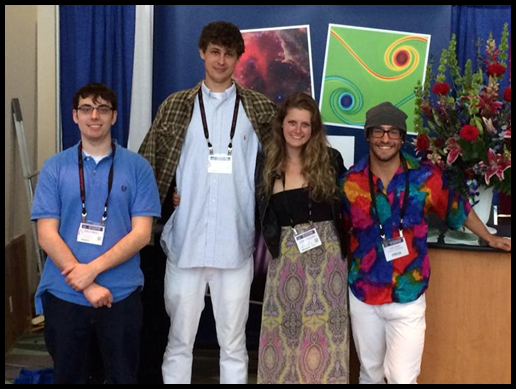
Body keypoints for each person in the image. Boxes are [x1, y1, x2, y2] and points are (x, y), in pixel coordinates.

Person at [138, 21, 277, 384]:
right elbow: (148, 163)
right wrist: (165, 196)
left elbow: (285, 163)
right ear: (202, 53)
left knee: (233, 344)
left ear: (238, 58)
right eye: (214, 51)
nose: (221, 60)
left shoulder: (259, 109)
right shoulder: (176, 106)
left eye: (229, 53)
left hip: (236, 244)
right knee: (179, 340)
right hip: (185, 242)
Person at [342, 102, 511, 384]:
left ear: (401, 137)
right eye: (379, 132)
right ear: (368, 135)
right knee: (369, 373)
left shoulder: (425, 177)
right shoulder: (349, 183)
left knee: (402, 377)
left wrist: (490, 237)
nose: (386, 139)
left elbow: (458, 209)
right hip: (364, 293)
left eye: (393, 132)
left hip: (408, 293)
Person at [31, 83, 161, 384]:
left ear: (114, 116)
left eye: (102, 109)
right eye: (86, 109)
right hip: (64, 293)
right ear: (75, 116)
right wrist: (86, 285)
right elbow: (46, 235)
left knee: (122, 377)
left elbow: (142, 234)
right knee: (68, 377)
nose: (94, 116)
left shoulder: (138, 168)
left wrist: (91, 272)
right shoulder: (54, 168)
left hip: (121, 294)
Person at [255, 92, 349, 384]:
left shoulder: (331, 160)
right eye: (292, 122)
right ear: (281, 125)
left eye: (305, 124)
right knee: (283, 337)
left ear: (314, 128)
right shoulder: (266, 163)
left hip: (328, 261)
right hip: (285, 261)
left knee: (324, 340)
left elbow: (354, 202)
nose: (298, 130)